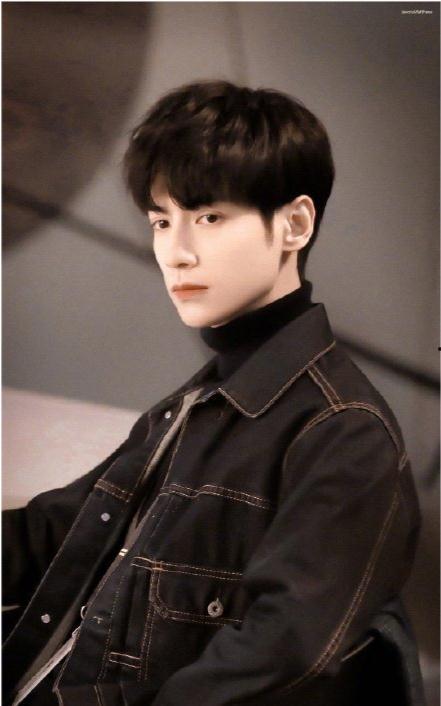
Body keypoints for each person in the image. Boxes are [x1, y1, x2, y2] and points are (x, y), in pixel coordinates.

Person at [3, 80, 426, 706]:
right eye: (161, 221)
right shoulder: (191, 408)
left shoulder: (344, 432)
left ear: (295, 224)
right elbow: (54, 535)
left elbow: (275, 660)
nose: (175, 253)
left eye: (209, 217)